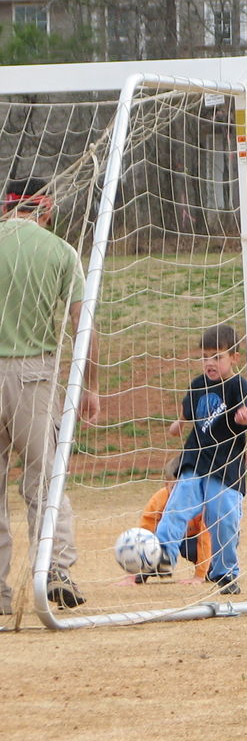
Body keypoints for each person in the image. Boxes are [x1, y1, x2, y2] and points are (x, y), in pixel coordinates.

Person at [0, 177, 98, 613]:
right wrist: (90, 384)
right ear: (47, 208)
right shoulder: (61, 251)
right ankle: (55, 567)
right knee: (44, 479)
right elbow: (83, 323)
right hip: (34, 376)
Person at [155, 324, 247, 595]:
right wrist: (178, 422)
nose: (209, 363)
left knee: (224, 518)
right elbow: (189, 411)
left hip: (225, 466)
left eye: (217, 357)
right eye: (205, 357)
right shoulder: (198, 385)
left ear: (234, 358)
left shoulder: (238, 386)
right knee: (178, 504)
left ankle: (225, 573)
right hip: (196, 459)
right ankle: (163, 555)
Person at [137, 456, 211, 582]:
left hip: (212, 541)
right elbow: (145, 532)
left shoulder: (203, 504)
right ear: (166, 485)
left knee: (190, 548)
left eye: (184, 490)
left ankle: (212, 569)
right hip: (179, 539)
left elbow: (206, 539)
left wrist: (199, 575)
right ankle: (146, 572)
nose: (179, 496)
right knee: (153, 543)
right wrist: (137, 571)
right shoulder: (158, 500)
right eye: (174, 489)